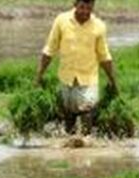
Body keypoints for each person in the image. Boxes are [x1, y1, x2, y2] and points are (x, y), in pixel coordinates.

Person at [36, 0, 118, 136]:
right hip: (66, 78)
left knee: (87, 110)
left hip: (88, 80)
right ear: (75, 5)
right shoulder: (61, 21)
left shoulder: (98, 26)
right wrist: (39, 76)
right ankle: (70, 147)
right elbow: (50, 50)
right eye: (82, 7)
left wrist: (113, 81)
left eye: (89, 8)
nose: (85, 12)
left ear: (93, 7)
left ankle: (86, 140)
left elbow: (104, 57)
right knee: (69, 115)